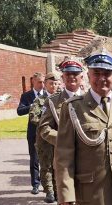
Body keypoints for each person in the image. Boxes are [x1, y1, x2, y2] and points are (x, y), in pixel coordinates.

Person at [54, 51, 112, 205]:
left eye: (107, 73)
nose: (102, 78)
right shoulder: (73, 107)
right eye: (96, 73)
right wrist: (66, 194)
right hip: (90, 192)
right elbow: (64, 154)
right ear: (88, 75)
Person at [38, 60, 85, 203]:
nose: (72, 77)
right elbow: (44, 129)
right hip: (64, 158)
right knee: (65, 198)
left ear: (81, 77)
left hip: (88, 158)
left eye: (75, 74)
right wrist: (64, 139)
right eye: (68, 74)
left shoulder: (90, 98)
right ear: (63, 78)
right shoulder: (52, 101)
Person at [29, 72, 60, 203]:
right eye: (50, 83)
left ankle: (58, 190)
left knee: (58, 166)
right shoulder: (39, 100)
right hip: (44, 139)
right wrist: (47, 123)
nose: (53, 86)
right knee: (46, 165)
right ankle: (49, 191)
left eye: (55, 83)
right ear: (45, 85)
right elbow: (33, 117)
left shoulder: (62, 99)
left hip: (59, 138)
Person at [17, 72, 45, 194]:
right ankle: (35, 184)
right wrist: (33, 105)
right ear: (33, 81)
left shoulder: (49, 95)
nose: (42, 85)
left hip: (47, 131)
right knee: (34, 158)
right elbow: (19, 111)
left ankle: (48, 184)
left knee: (48, 159)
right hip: (33, 132)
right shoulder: (26, 96)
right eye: (39, 82)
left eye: (43, 82)